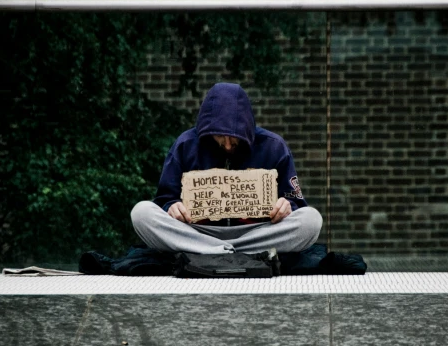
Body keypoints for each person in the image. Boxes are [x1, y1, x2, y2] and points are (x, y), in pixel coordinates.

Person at [131, 82, 322, 254]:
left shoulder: (273, 147)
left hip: (257, 233)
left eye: (235, 139)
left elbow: (296, 205)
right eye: (221, 139)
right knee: (141, 213)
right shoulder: (185, 146)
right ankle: (222, 250)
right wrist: (171, 207)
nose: (229, 146)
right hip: (196, 232)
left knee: (311, 220)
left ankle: (217, 252)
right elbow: (164, 199)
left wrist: (287, 207)